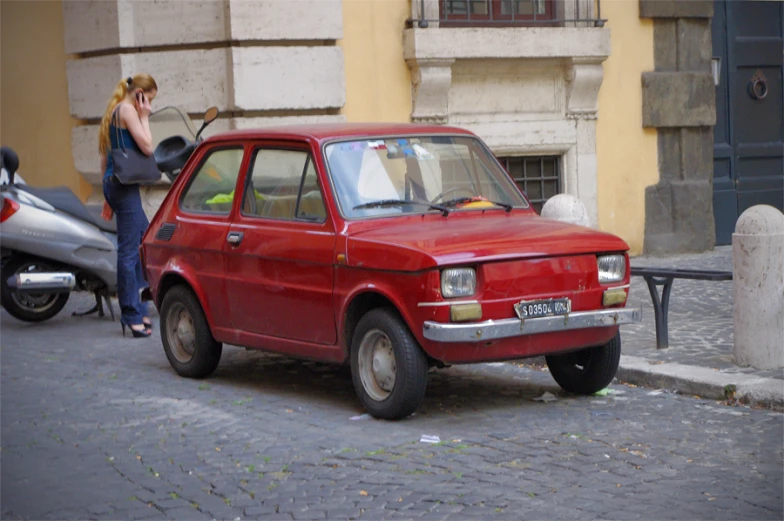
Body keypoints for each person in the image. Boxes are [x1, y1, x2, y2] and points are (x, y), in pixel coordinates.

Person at [98, 73, 158, 338]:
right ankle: (132, 314)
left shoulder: (112, 112)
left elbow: (104, 157)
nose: (149, 105)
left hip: (115, 184)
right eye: (149, 99)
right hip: (124, 186)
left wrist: (107, 196)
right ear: (140, 95)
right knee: (130, 252)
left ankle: (140, 307)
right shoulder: (127, 110)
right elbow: (147, 146)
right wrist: (144, 115)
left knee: (144, 242)